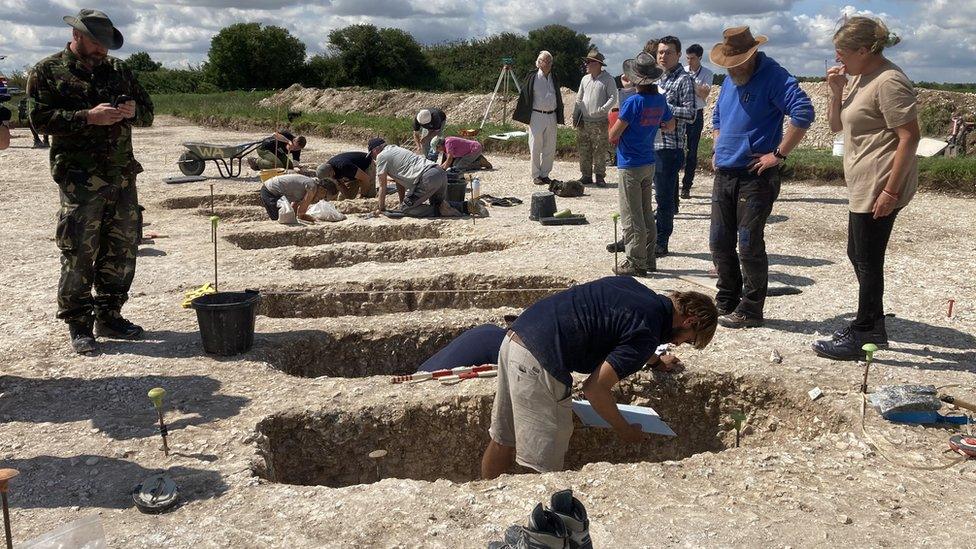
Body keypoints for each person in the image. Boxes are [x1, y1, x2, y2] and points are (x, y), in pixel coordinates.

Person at [480, 277, 718, 479]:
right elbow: (595, 388)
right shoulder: (647, 332)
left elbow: (621, 329)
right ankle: (537, 529)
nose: (678, 343)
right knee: (543, 466)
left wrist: (655, 360)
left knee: (503, 439)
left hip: (515, 338)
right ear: (690, 321)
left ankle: (489, 500)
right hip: (540, 360)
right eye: (688, 339)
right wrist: (624, 429)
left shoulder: (635, 288)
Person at [28, 9, 154, 354]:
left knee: (122, 250)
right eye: (97, 43)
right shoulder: (47, 71)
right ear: (78, 36)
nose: (103, 51)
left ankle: (110, 314)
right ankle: (79, 323)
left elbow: (148, 113)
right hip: (79, 181)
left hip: (122, 177)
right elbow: (39, 120)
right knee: (79, 251)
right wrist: (88, 117)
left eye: (107, 45)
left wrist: (132, 113)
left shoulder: (119, 71)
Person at [812, 17, 919, 360]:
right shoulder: (860, 77)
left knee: (868, 259)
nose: (837, 59)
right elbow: (835, 127)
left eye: (841, 53)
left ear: (863, 50)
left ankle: (864, 332)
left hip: (880, 181)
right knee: (857, 254)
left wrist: (890, 191)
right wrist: (836, 91)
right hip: (863, 181)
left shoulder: (889, 81)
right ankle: (873, 323)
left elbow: (910, 136)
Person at [708, 26, 814, 329]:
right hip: (725, 172)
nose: (732, 69)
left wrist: (778, 154)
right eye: (728, 64)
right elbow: (717, 117)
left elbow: (803, 112)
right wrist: (718, 145)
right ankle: (727, 297)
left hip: (755, 176)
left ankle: (751, 309)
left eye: (738, 62)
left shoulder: (774, 76)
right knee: (718, 241)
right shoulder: (730, 80)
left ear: (752, 55)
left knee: (748, 242)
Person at [608, 52, 674, 277]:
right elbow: (671, 124)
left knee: (631, 214)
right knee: (646, 212)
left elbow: (613, 134)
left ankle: (635, 261)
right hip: (648, 160)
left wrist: (614, 119)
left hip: (630, 163)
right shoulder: (659, 100)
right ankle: (648, 258)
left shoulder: (632, 102)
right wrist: (655, 125)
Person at [653, 36, 697, 256]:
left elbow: (690, 113)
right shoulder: (655, 79)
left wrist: (662, 107)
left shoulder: (684, 79)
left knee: (664, 198)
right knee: (645, 196)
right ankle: (639, 237)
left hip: (670, 148)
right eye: (660, 52)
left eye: (668, 52)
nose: (663, 56)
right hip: (650, 144)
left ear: (678, 55)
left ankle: (661, 241)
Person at [370, 137, 487, 218]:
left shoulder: (381, 156)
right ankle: (469, 206)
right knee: (438, 203)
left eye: (371, 155)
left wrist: (381, 208)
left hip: (427, 178)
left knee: (407, 209)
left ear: (375, 150)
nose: (373, 158)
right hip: (439, 173)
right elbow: (399, 181)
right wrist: (402, 202)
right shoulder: (396, 149)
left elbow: (382, 185)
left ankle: (441, 211)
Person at [513, 51, 565, 185]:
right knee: (535, 145)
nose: (547, 64)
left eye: (549, 62)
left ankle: (545, 174)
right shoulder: (533, 77)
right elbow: (525, 95)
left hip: (551, 115)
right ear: (539, 63)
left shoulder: (554, 77)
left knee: (550, 146)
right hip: (536, 115)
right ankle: (536, 175)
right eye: (544, 61)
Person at [574, 49, 618, 187]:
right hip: (584, 121)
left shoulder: (608, 79)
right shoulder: (584, 79)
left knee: (600, 149)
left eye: (589, 62)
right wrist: (580, 107)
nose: (586, 64)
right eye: (586, 62)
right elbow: (579, 96)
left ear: (598, 64)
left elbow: (613, 97)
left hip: (599, 121)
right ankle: (586, 175)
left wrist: (603, 109)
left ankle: (600, 176)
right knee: (584, 148)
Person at [681, 44, 714, 199]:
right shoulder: (682, 71)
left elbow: (704, 94)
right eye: (687, 58)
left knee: (692, 151)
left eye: (692, 58)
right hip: (681, 113)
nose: (689, 61)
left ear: (700, 57)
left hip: (696, 113)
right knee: (677, 149)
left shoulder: (707, 73)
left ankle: (687, 186)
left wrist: (690, 82)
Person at [260, 173, 333, 222]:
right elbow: (301, 213)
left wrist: (294, 220)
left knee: (283, 220)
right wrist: (314, 220)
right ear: (323, 190)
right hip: (271, 192)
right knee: (279, 220)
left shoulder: (308, 185)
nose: (321, 199)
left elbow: (295, 205)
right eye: (324, 197)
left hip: (270, 190)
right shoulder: (312, 187)